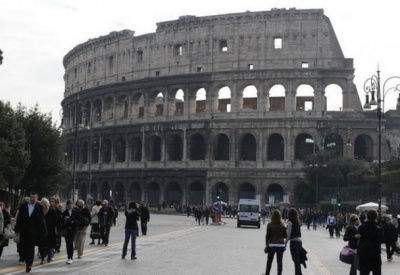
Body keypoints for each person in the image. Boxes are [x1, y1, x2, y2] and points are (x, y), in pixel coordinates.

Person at [14, 191, 47, 273]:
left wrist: (43, 231)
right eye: (31, 197)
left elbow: (42, 220)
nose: (32, 199)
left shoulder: (39, 207)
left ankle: (29, 264)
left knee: (31, 248)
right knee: (24, 247)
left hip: (33, 232)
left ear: (37, 198)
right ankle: (25, 259)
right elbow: (19, 219)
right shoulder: (23, 206)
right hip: (24, 231)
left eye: (34, 197)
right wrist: (17, 229)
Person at [357, 209, 384, 275]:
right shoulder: (379, 229)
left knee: (363, 273)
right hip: (375, 255)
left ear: (367, 217)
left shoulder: (361, 227)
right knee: (377, 273)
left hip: (364, 254)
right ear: (376, 217)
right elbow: (383, 240)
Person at [264, 210, 287, 275]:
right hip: (280, 245)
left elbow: (267, 236)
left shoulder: (269, 225)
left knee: (269, 261)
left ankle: (267, 273)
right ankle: (279, 274)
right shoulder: (283, 225)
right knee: (279, 261)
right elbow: (285, 235)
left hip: (271, 245)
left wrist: (266, 244)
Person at [40, 198, 60, 264]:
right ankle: (43, 257)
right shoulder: (39, 211)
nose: (45, 205)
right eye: (44, 204)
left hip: (51, 231)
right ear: (41, 204)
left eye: (47, 203)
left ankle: (50, 256)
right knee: (42, 245)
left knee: (50, 245)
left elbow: (56, 222)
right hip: (42, 231)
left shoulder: (52, 211)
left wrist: (57, 230)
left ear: (49, 204)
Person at [61, 199, 80, 264]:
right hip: (66, 229)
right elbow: (62, 222)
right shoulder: (64, 212)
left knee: (70, 243)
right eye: (69, 205)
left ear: (73, 205)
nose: (70, 206)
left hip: (73, 229)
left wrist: (74, 221)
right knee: (68, 243)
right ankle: (69, 257)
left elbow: (79, 220)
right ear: (67, 205)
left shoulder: (76, 212)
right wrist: (65, 220)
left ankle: (70, 257)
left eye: (71, 205)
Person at [285, 208, 303, 275]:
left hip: (293, 242)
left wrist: (285, 243)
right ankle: (299, 273)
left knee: (295, 260)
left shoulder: (290, 222)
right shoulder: (298, 221)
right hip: (299, 241)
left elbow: (288, 234)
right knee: (297, 259)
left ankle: (298, 273)